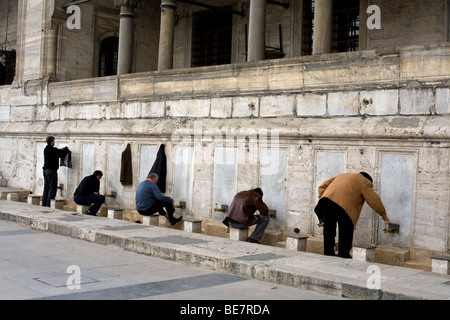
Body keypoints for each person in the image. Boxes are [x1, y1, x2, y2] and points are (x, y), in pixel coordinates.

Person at [314, 172, 390, 259]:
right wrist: (383, 213)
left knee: (329, 229)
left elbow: (322, 186)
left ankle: (328, 253)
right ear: (368, 180)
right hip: (343, 206)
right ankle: (343, 255)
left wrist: (323, 197)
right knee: (346, 230)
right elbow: (373, 199)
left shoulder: (342, 175)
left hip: (325, 202)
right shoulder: (364, 181)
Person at [42, 136, 70, 207]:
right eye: (53, 141)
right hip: (51, 171)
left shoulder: (46, 149)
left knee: (46, 188)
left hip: (45, 171)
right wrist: (66, 149)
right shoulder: (52, 149)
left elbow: (57, 152)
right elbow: (61, 154)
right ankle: (49, 204)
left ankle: (44, 203)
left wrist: (61, 150)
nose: (54, 142)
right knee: (52, 188)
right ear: (51, 141)